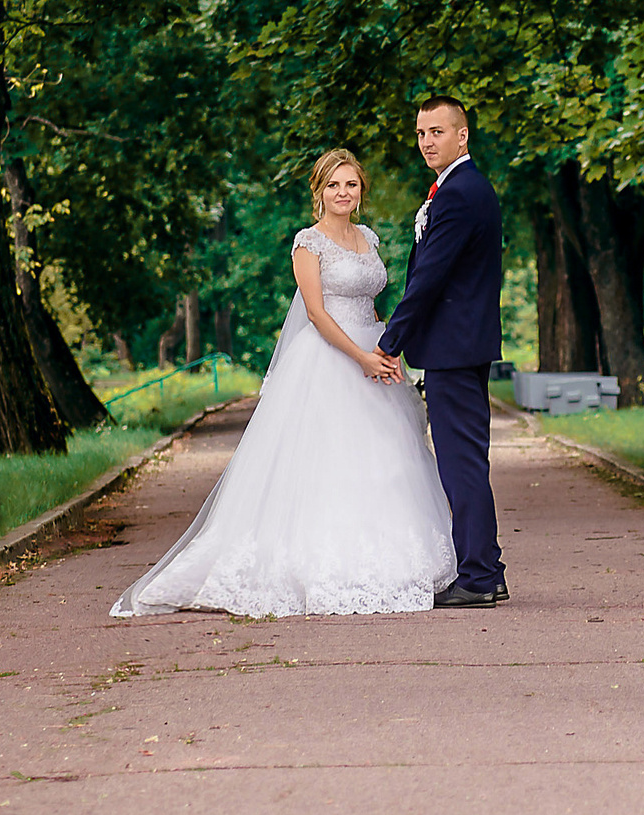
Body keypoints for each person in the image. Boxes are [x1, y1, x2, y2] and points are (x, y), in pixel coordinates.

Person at [110, 150, 457, 618]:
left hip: (372, 352)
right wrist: (360, 358)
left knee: (387, 463)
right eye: (334, 185)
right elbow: (316, 313)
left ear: (361, 191)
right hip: (330, 360)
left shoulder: (368, 239)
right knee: (325, 463)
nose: (343, 194)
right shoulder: (307, 243)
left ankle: (392, 556)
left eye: (351, 185)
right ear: (319, 191)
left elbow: (372, 305)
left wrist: (385, 352)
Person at [379, 95, 508, 606]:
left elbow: (430, 277)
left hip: (454, 348)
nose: (427, 141)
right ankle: (488, 569)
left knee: (460, 465)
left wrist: (391, 342)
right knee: (466, 460)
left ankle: (477, 577)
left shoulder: (459, 193)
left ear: (462, 135)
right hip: (462, 346)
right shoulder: (458, 189)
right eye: (421, 133)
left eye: (437, 131)